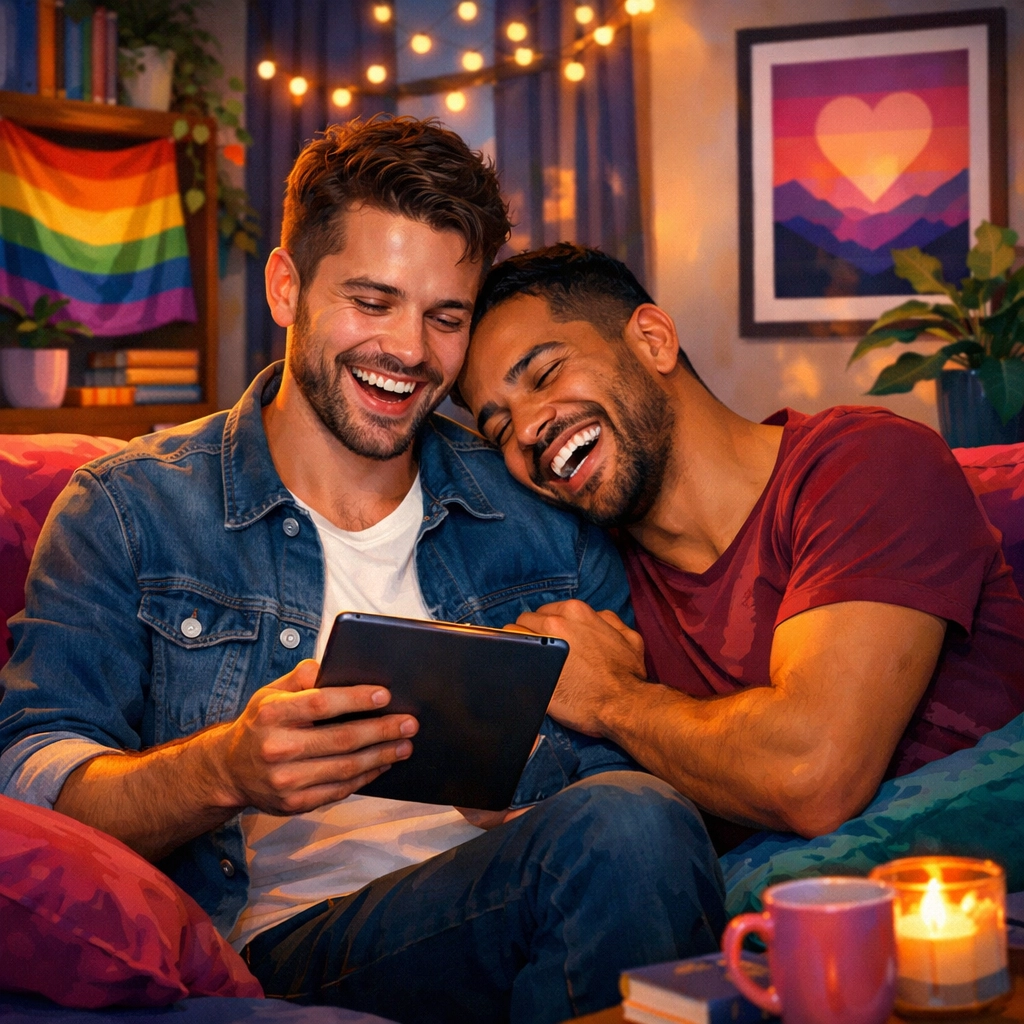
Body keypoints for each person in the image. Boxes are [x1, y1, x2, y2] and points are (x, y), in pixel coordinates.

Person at [0, 123, 728, 1023]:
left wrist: (520, 780)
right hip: (290, 946)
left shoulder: (536, 506)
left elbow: (638, 771)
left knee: (630, 821)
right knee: (623, 827)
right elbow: (32, 780)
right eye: (373, 301)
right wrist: (223, 769)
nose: (411, 351)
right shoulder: (129, 510)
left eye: (444, 316)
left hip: (530, 895)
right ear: (286, 287)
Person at [457, 242, 1024, 847]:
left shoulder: (868, 463)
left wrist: (612, 699)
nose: (527, 429)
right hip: (753, 929)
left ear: (652, 340)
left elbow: (813, 775)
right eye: (498, 429)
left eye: (545, 374)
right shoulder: (601, 585)